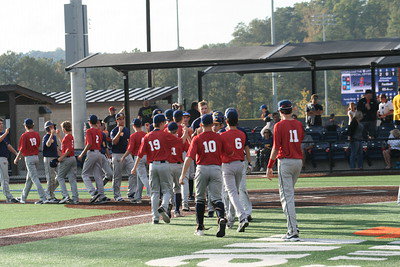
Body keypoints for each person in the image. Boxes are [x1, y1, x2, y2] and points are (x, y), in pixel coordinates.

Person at [179, 114, 231, 237]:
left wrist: (182, 175)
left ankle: (200, 227)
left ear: (201, 125)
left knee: (200, 199)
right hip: (216, 168)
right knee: (217, 198)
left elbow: (189, 158)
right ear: (212, 124)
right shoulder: (219, 137)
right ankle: (221, 217)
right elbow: (230, 152)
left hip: (202, 168)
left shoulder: (197, 138)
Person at [131, 114, 183, 224]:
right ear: (161, 123)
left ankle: (154, 217)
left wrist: (134, 167)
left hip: (152, 165)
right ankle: (164, 206)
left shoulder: (147, 136)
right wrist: (186, 133)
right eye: (164, 122)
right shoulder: (165, 135)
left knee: (154, 192)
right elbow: (179, 142)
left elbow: (139, 154)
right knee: (167, 190)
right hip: (164, 164)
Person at [266, 100, 304, 241]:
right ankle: (293, 226)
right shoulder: (299, 124)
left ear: (281, 111)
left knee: (287, 197)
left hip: (286, 162)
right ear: (291, 110)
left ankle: (292, 230)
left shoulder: (279, 125)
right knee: (289, 195)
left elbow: (276, 148)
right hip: (298, 161)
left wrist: (269, 165)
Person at [220, 108, 250, 232]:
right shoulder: (242, 133)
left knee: (232, 193)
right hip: (240, 164)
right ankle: (231, 220)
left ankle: (242, 217)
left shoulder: (222, 135)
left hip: (228, 165)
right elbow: (245, 148)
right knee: (234, 193)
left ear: (226, 121)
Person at [14, 119, 48, 204]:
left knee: (34, 178)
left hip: (29, 158)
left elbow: (21, 148)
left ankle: (43, 198)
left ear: (25, 125)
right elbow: (38, 144)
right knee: (29, 179)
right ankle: (23, 198)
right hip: (36, 157)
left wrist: (17, 158)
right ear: (33, 125)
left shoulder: (24, 135)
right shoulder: (36, 134)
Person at [78, 115, 109, 204]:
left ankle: (93, 192)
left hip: (92, 153)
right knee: (98, 176)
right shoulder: (100, 132)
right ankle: (101, 195)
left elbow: (89, 144)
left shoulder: (89, 131)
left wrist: (81, 154)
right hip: (99, 153)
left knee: (84, 174)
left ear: (90, 122)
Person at [121, 118, 150, 203]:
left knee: (143, 177)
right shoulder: (145, 134)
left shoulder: (133, 136)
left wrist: (123, 156)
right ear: (141, 125)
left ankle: (152, 193)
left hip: (139, 157)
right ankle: (138, 197)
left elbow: (130, 149)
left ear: (133, 126)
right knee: (139, 177)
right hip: (147, 156)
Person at [110, 113, 136, 202]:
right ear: (116, 120)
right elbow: (114, 142)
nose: (122, 120)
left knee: (133, 173)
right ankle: (117, 195)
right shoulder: (114, 130)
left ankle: (131, 193)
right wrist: (118, 132)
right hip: (117, 154)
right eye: (120, 119)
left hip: (127, 154)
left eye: (123, 118)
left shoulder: (127, 130)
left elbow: (128, 142)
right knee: (117, 176)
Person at [167, 122, 189, 217]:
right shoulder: (179, 140)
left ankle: (168, 208)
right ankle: (176, 211)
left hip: (167, 166)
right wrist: (185, 130)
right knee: (177, 189)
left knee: (168, 189)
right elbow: (184, 138)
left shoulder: (165, 140)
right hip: (178, 166)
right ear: (176, 130)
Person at [56, 121, 79, 204]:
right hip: (72, 158)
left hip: (67, 159)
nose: (62, 129)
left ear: (64, 128)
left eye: (62, 128)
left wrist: (62, 157)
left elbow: (68, 150)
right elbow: (64, 144)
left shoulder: (67, 137)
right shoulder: (70, 136)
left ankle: (65, 195)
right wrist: (59, 136)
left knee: (60, 177)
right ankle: (75, 198)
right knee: (72, 179)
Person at [0, 119, 19, 203]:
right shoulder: (4, 134)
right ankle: (9, 197)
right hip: (1, 158)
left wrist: (16, 153)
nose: (1, 125)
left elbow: (8, 145)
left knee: (4, 178)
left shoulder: (3, 134)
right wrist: (6, 133)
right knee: (5, 178)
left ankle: (8, 196)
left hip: (3, 158)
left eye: (1, 123)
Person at [42, 121, 60, 203]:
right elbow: (48, 144)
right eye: (52, 127)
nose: (54, 128)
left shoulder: (54, 137)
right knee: (50, 178)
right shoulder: (46, 136)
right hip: (48, 158)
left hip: (55, 158)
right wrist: (52, 134)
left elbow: (56, 148)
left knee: (60, 176)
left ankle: (49, 192)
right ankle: (49, 196)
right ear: (48, 128)